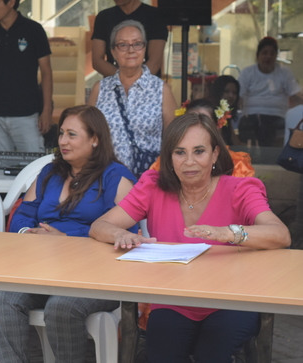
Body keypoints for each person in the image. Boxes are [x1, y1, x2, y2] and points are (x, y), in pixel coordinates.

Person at [89, 112, 290, 362]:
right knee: (162, 355)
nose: (189, 162)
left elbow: (280, 234)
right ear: (169, 157)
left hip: (231, 301)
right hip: (173, 301)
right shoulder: (154, 187)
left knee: (211, 355)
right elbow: (100, 225)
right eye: (179, 152)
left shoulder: (239, 190)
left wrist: (229, 233)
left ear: (215, 154)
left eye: (199, 151)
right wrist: (121, 233)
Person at [0, 105, 137, 363]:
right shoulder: (50, 172)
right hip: (45, 270)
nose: (63, 141)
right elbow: (22, 214)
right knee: (1, 297)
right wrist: (28, 233)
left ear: (95, 139)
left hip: (97, 276)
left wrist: (68, 241)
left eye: (72, 134)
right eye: (61, 134)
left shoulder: (117, 178)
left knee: (62, 307)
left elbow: (125, 233)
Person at [87, 20, 176, 177]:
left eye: (137, 44)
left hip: (149, 179)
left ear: (144, 49)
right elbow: (88, 135)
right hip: (106, 177)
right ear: (113, 52)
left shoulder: (161, 89)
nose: (131, 50)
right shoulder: (100, 89)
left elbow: (174, 139)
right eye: (123, 45)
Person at [0, 0, 52, 152]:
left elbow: (46, 73)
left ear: (11, 2)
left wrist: (46, 110)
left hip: (26, 114)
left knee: (33, 168)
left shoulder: (34, 30)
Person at [238, 36, 303, 147]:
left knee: (268, 125)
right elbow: (239, 97)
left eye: (272, 53)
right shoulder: (247, 73)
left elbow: (296, 94)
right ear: (258, 55)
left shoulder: (284, 72)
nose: (268, 56)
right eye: (265, 53)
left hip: (278, 116)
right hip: (251, 115)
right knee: (256, 124)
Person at [91, 0, 167, 78]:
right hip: (113, 85)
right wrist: (122, 80)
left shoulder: (155, 15)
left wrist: (137, 83)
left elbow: (155, 61)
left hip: (148, 85)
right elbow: (97, 61)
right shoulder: (104, 17)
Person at [210, 75, 241, 145]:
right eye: (226, 91)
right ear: (218, 92)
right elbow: (217, 143)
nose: (231, 95)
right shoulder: (211, 113)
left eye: (234, 93)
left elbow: (236, 142)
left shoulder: (226, 115)